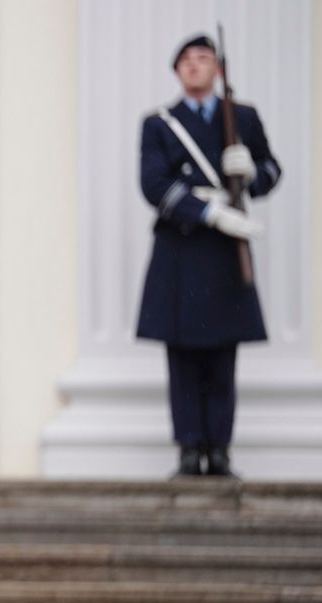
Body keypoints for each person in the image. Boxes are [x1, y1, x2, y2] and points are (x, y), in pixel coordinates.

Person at [137, 34, 281, 478]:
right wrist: (210, 213)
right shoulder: (160, 123)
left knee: (222, 355)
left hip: (224, 255)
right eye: (186, 60)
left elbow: (272, 170)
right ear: (177, 72)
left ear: (218, 69)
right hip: (181, 248)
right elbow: (153, 184)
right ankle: (188, 449)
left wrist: (251, 174)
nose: (195, 66)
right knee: (182, 357)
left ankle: (219, 450)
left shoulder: (243, 117)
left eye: (203, 58)